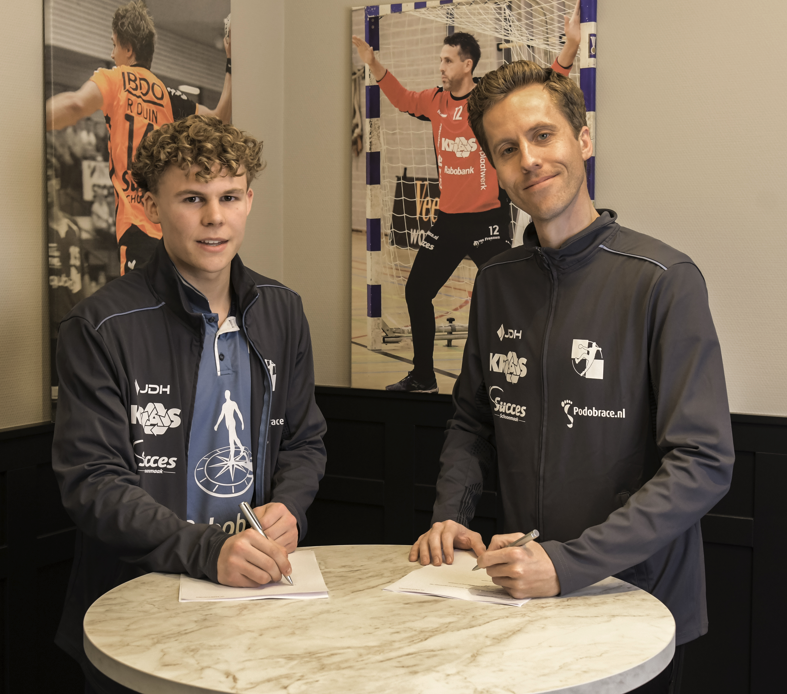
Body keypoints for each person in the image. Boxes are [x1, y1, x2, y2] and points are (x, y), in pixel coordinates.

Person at [409, 60, 734, 693]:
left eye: (542, 135)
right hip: (521, 593)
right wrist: (451, 513)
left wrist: (567, 564)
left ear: (582, 139)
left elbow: (702, 463)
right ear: (495, 170)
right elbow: (473, 420)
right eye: (507, 149)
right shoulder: (496, 281)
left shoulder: (663, 281)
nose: (529, 160)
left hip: (638, 602)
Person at [53, 114, 327, 694]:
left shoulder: (282, 310)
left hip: (252, 596)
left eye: (229, 196)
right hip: (132, 605)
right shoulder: (100, 325)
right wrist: (208, 550)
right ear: (152, 208)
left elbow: (304, 441)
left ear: (248, 202)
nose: (214, 217)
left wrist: (290, 506)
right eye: (192, 198)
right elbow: (93, 482)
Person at [352, 1, 581, 393]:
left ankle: (518, 379)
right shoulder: (435, 102)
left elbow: (544, 90)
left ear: (467, 64)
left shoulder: (487, 100)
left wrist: (570, 48)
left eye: (447, 60)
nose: (441, 67)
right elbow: (403, 99)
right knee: (416, 291)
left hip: (487, 221)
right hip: (447, 222)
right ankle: (423, 377)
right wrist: (373, 64)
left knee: (507, 300)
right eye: (440, 60)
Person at [46, 0, 232, 276]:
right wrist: (231, 62)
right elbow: (219, 119)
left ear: (129, 49)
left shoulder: (115, 79)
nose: (112, 54)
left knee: (138, 303)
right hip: (171, 229)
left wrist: (24, 120)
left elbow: (74, 105)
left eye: (114, 45)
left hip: (137, 227)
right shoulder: (166, 94)